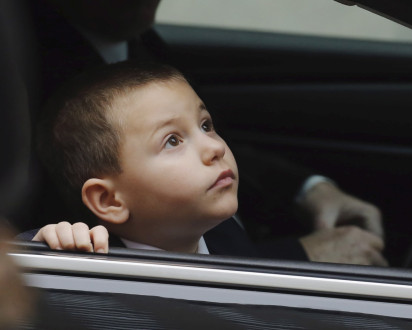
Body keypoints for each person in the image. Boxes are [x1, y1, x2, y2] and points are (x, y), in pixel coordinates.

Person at [4, 0, 386, 265]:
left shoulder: (140, 47)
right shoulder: (20, 72)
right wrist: (49, 245)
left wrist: (309, 189)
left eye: (206, 125)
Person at [23, 61, 387, 265]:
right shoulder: (91, 264)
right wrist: (48, 248)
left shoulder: (223, 232)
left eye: (205, 125)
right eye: (172, 141)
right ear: (110, 201)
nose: (213, 147)